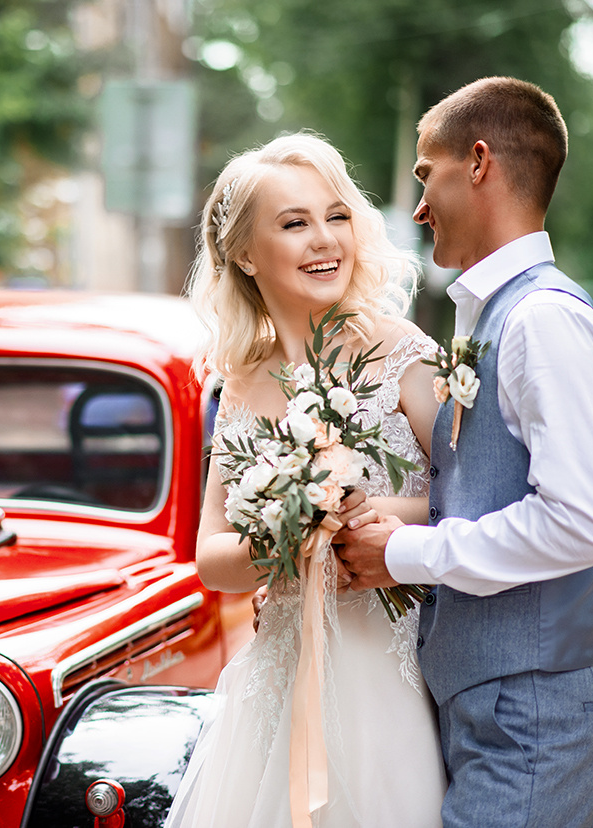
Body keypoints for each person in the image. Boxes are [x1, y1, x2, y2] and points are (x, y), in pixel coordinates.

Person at [336, 77, 593, 827]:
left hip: (531, 726)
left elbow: (586, 522)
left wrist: (409, 555)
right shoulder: (495, 316)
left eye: (425, 176)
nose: (420, 207)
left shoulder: (541, 321)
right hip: (492, 717)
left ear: (479, 161)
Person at [164, 132, 446, 828]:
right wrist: (290, 532)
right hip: (280, 683)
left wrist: (370, 516)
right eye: (294, 223)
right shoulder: (240, 384)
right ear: (245, 253)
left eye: (337, 215)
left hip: (399, 674)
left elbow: (479, 503)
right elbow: (212, 559)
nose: (325, 240)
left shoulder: (406, 355)